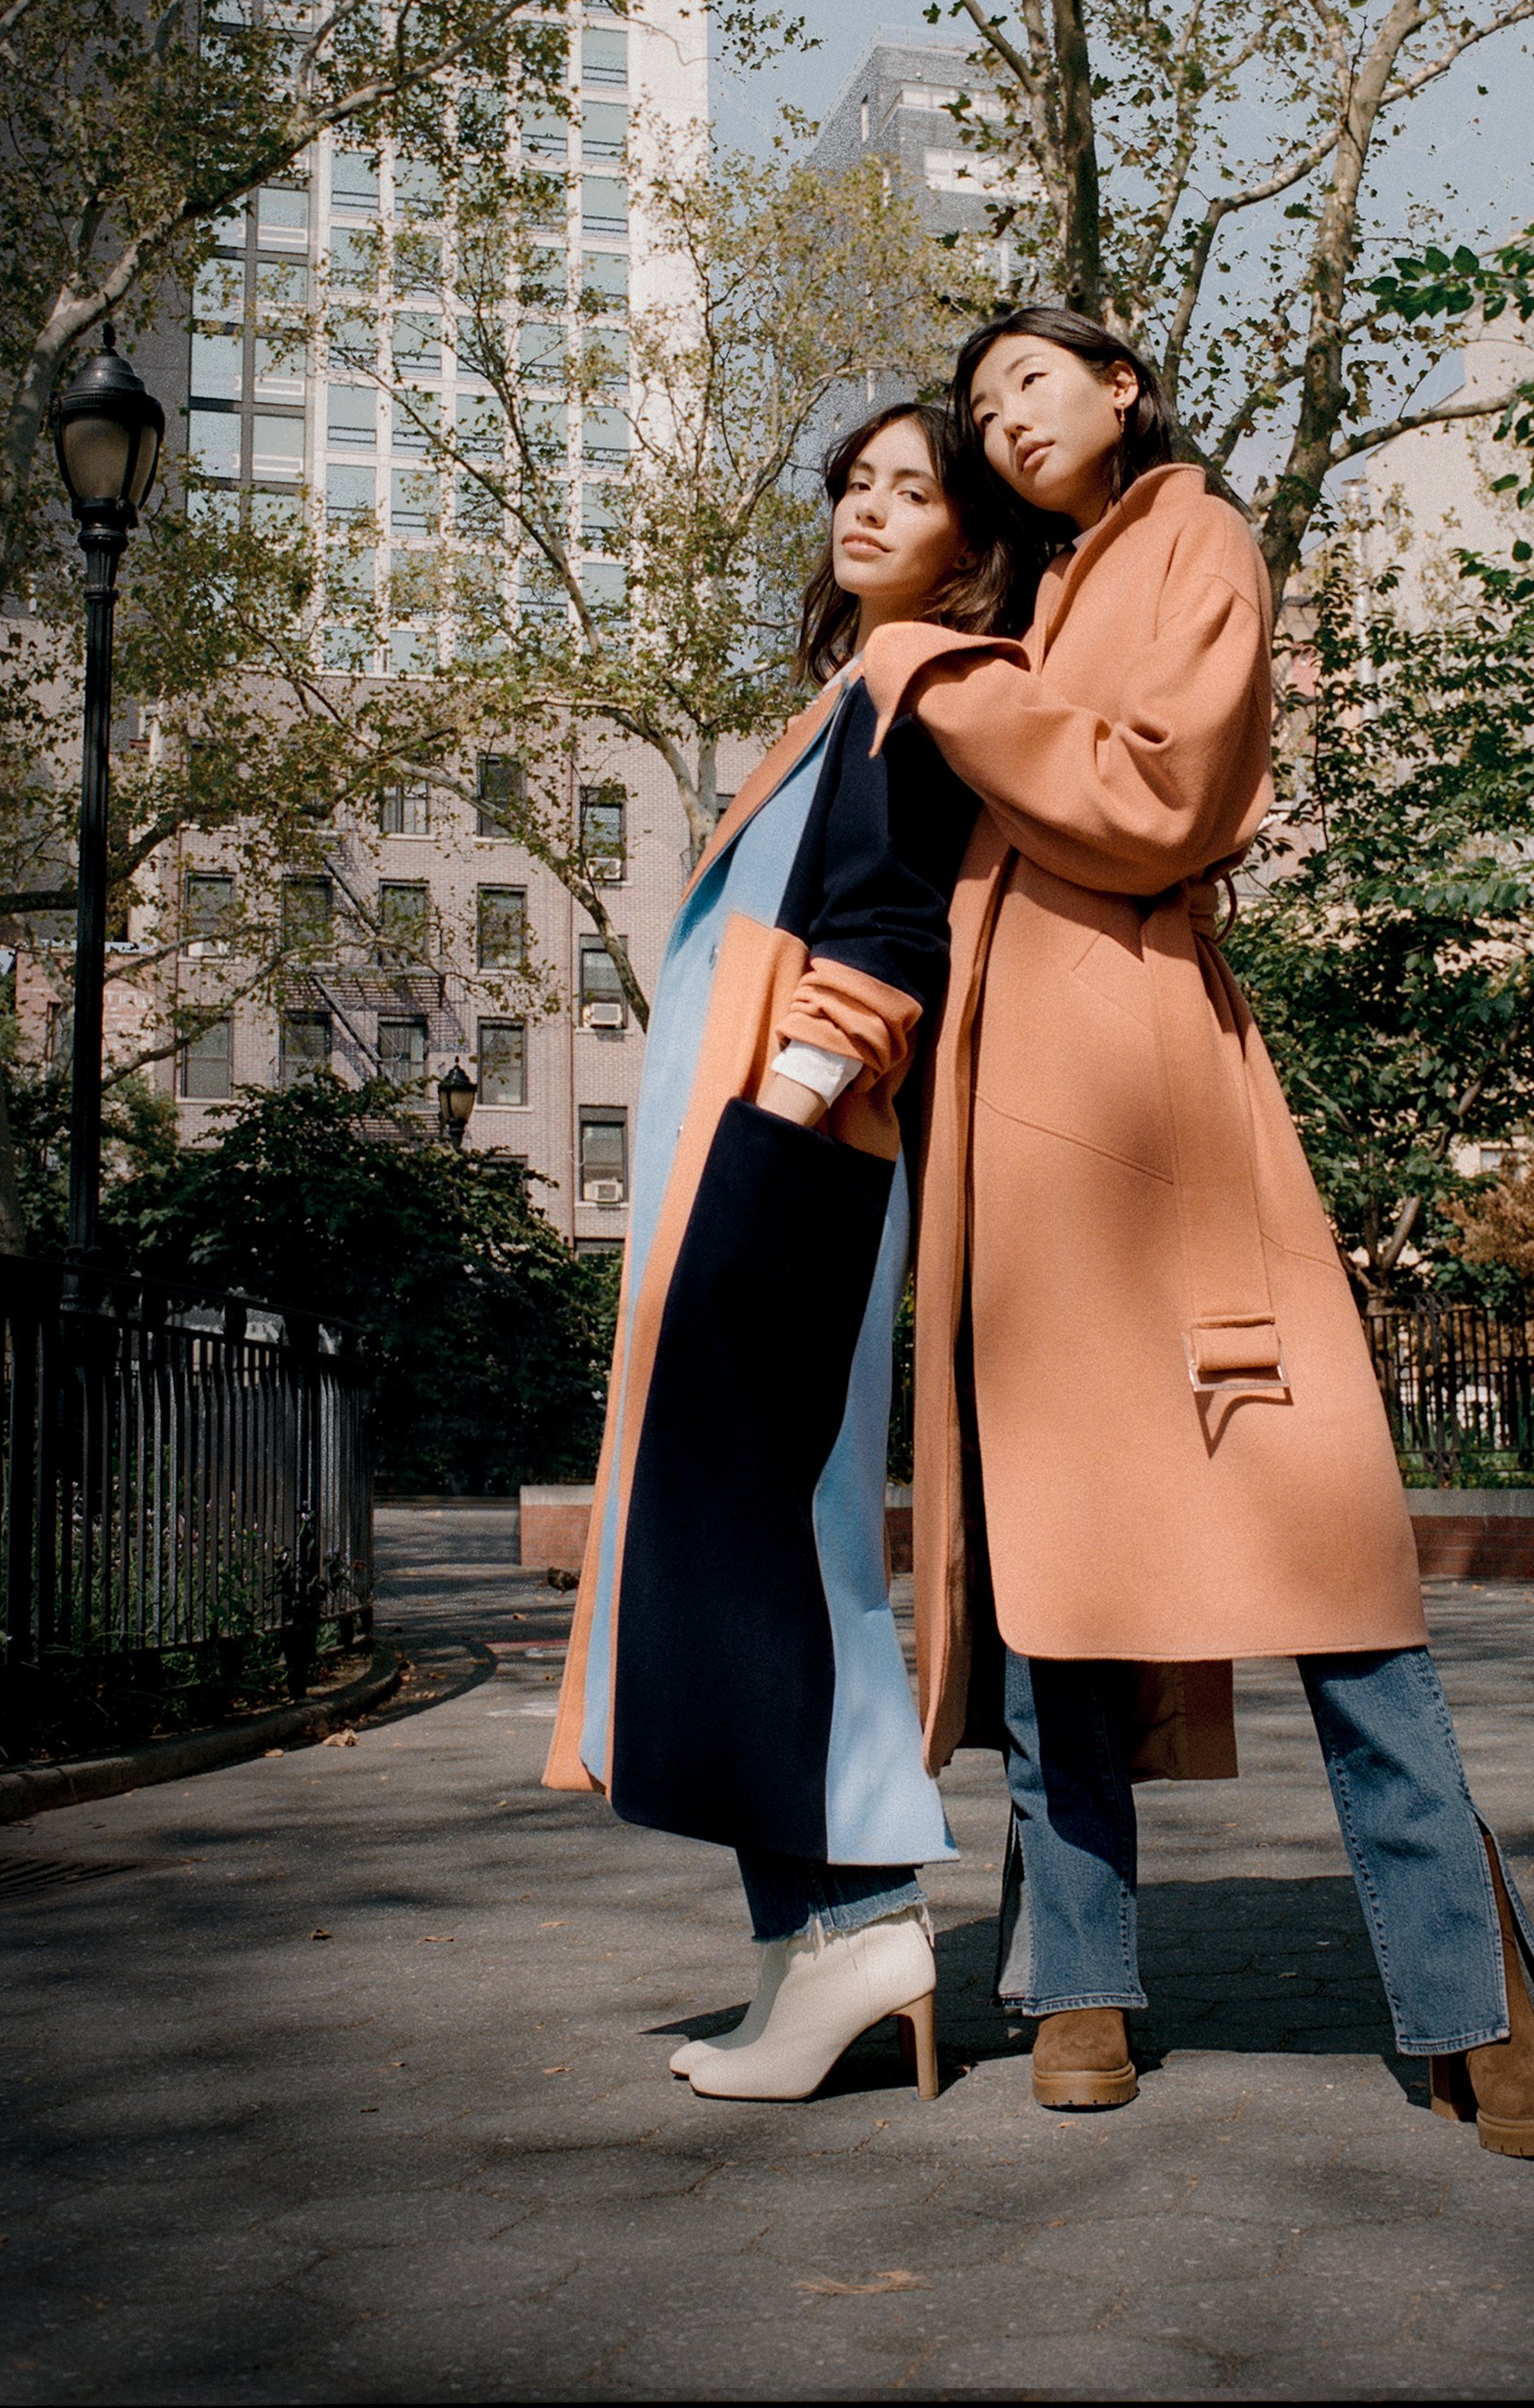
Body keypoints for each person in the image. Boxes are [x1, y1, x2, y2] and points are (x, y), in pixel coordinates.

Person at [857, 306, 1534, 2155]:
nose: (999, 414)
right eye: (975, 403)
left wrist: (942, 680)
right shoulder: (1027, 605)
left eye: (1029, 376)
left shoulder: (1185, 536)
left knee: (1330, 1570)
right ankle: (1081, 1986)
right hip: (1014, 1152)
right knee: (1058, 1587)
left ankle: (1466, 1996)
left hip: (1163, 1111)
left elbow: (1154, 797)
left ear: (1118, 387)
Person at [543, 402, 1023, 2105]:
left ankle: (862, 1921)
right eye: (857, 483)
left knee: (772, 1542)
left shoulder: (922, 686)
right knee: (725, 1541)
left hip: (789, 1155)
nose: (871, 508)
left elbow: (888, 926)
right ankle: (800, 1947)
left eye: (916, 488)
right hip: (751, 1158)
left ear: (972, 540)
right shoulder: (850, 692)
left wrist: (793, 1105)